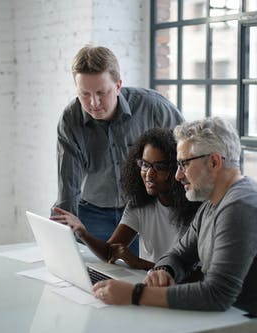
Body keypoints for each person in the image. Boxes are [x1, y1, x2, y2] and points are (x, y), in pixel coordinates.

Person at [92, 117, 257, 333]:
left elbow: (216, 295)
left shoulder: (241, 207)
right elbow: (179, 254)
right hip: (223, 323)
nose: (178, 175)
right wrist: (164, 270)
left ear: (214, 162)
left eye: (184, 164)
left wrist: (134, 294)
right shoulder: (213, 203)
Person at [53, 45, 184, 253]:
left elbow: (186, 154)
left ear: (118, 85)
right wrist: (62, 235)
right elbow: (68, 184)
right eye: (84, 94)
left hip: (144, 209)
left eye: (101, 93)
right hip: (92, 213)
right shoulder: (71, 119)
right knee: (92, 277)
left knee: (141, 276)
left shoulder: (154, 108)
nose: (93, 103)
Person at [51, 128, 200, 270]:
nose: (149, 174)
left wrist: (137, 263)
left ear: (177, 168)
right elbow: (110, 252)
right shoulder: (140, 204)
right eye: (145, 165)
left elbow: (194, 275)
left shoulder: (196, 209)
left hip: (179, 291)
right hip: (146, 283)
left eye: (159, 167)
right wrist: (83, 233)